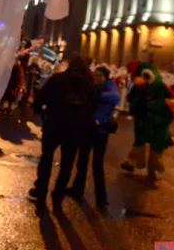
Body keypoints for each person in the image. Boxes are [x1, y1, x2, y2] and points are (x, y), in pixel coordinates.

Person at [30, 56, 98, 215]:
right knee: (67, 162)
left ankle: (41, 188)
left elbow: (41, 97)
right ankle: (59, 191)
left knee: (46, 157)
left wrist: (41, 110)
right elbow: (93, 106)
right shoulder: (89, 85)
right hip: (75, 128)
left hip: (55, 123)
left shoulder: (57, 79)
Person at [67, 66, 120, 211]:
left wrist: (95, 97)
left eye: (100, 76)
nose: (97, 78)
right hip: (89, 129)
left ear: (106, 77)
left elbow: (115, 98)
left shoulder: (109, 89)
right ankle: (77, 190)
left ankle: (101, 199)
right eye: (95, 75)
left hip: (100, 132)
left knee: (97, 165)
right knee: (82, 160)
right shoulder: (95, 88)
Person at [120, 61, 174, 184]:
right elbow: (132, 98)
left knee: (156, 147)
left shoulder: (160, 88)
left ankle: (154, 171)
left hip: (157, 122)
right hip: (142, 120)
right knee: (139, 142)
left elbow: (171, 105)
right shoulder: (138, 88)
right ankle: (131, 162)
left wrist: (153, 105)